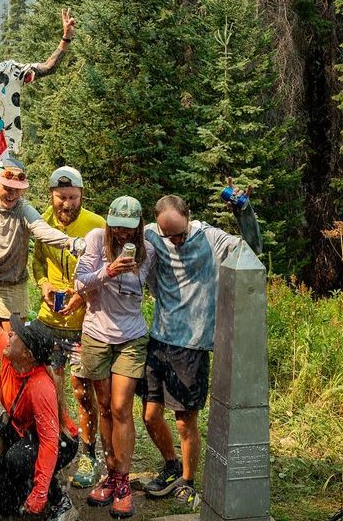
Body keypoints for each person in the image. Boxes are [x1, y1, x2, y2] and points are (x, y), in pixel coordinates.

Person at [139, 189, 262, 508]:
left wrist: (243, 210)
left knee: (184, 420)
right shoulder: (153, 235)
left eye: (179, 234)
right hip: (159, 340)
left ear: (189, 219)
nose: (175, 241)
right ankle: (171, 465)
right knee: (151, 416)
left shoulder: (211, 238)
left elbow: (253, 249)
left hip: (192, 347)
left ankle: (188, 481)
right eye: (169, 236)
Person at [0, 157, 84, 404]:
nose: (12, 194)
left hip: (14, 284)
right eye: (7, 188)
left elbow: (41, 230)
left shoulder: (23, 208)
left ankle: (12, 408)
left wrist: (71, 242)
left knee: (15, 350)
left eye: (17, 189)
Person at [0, 273, 79, 521]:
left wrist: (39, 494)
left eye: (16, 335)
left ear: (28, 355)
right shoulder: (9, 351)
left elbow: (50, 443)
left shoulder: (41, 386)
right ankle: (28, 482)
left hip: (60, 442)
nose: (10, 334)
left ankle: (60, 500)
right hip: (25, 431)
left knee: (18, 461)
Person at [73, 196, 156, 518]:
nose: (123, 235)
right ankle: (110, 473)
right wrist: (108, 270)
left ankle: (122, 480)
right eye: (118, 228)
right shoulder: (96, 239)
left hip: (131, 336)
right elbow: (80, 282)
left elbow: (165, 281)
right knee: (104, 406)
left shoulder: (148, 249)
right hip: (96, 334)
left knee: (122, 408)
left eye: (129, 229)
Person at [31, 166, 107, 490]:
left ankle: (89, 454)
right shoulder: (41, 221)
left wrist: (81, 295)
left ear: (82, 195)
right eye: (61, 197)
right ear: (52, 194)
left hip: (84, 320)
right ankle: (50, 445)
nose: (66, 204)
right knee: (43, 385)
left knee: (81, 389)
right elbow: (36, 262)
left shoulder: (96, 225)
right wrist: (45, 284)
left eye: (72, 198)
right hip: (49, 318)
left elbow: (107, 272)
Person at [0, 11, 75, 182]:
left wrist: (65, 40)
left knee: (7, 200)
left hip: (6, 153)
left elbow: (48, 68)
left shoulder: (9, 71)